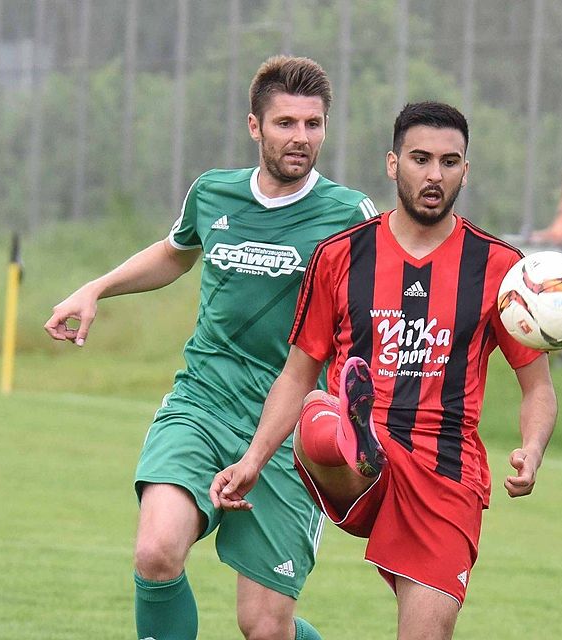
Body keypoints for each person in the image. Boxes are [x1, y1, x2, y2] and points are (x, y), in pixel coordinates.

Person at [44, 55, 378, 640]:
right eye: (285, 123)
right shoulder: (214, 193)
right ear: (255, 126)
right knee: (155, 553)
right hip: (202, 406)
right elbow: (176, 252)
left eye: (313, 124)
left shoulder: (349, 215)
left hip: (285, 432)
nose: (301, 137)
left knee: (264, 628)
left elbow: (381, 311)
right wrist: (97, 288)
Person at [209, 102, 558, 640]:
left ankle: (353, 432)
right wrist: (253, 458)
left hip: (445, 471)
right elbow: (297, 373)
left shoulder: (500, 269)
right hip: (355, 462)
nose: (434, 174)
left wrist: (532, 449)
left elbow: (538, 388)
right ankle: (356, 436)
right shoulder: (341, 255)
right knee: (317, 411)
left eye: (449, 161)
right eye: (421, 159)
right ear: (393, 164)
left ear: (467, 171)